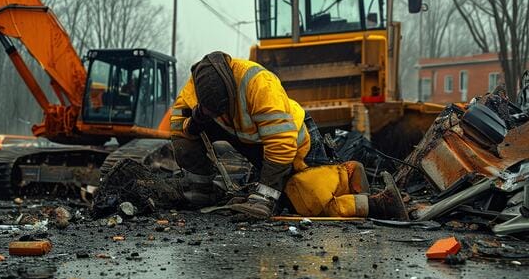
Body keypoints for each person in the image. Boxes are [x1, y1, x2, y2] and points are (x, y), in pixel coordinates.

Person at [170, 51, 408, 220]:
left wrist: (265, 196)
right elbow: (178, 130)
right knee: (297, 197)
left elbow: (282, 143)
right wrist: (195, 122)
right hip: (256, 142)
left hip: (296, 139)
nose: (219, 115)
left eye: (221, 109)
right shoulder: (192, 91)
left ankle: (374, 198)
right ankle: (203, 191)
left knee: (308, 200)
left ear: (230, 92)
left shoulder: (258, 83)